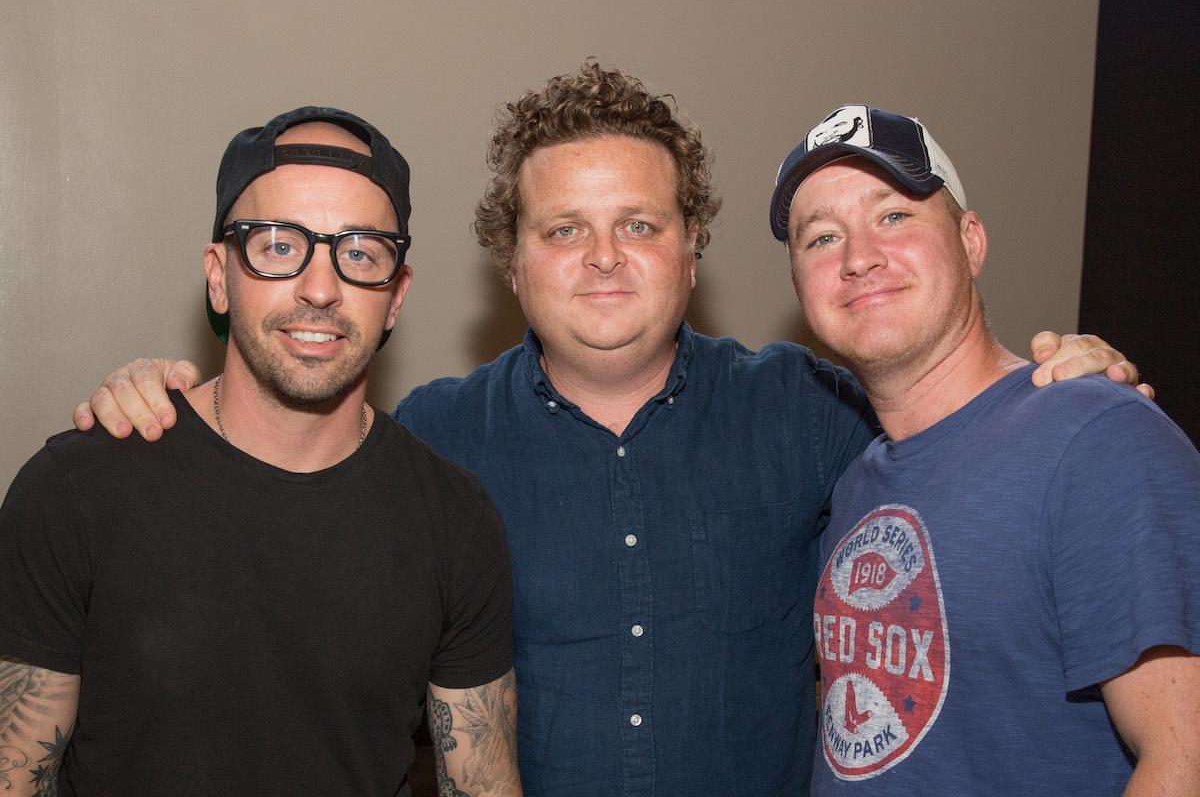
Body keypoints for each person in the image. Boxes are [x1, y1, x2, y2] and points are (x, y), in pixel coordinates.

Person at [71, 66, 1144, 796]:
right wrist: (163, 393)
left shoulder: (814, 409)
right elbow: (276, 452)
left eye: (639, 223)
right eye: (564, 229)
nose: (604, 257)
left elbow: (958, 410)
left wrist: (1066, 373)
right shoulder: (433, 441)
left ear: (690, 252)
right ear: (515, 261)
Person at [0, 107, 521, 797]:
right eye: (278, 245)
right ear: (220, 276)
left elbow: (482, 783)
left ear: (395, 296)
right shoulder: (73, 491)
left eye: (360, 251)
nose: (320, 287)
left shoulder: (455, 519)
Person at [772, 104, 1200, 795]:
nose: (858, 258)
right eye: (821, 238)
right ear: (800, 288)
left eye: (893, 216)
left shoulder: (1096, 438)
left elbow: (1184, 759)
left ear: (970, 241)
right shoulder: (854, 483)